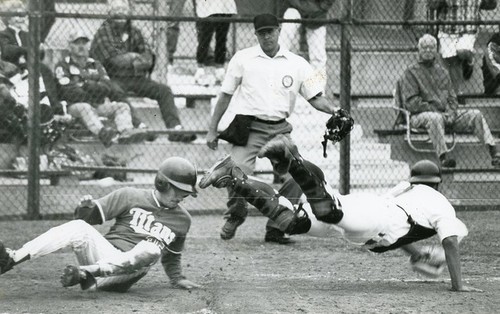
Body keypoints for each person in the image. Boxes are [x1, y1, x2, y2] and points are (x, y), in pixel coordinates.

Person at [199, 135, 482, 292]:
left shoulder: (406, 190)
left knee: (290, 221)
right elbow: (450, 242)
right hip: (373, 217)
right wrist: (458, 285)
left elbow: (399, 226)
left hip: (369, 214)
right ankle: (293, 156)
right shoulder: (442, 202)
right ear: (438, 182)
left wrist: (416, 254)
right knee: (328, 210)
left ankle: (234, 175)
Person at [205, 13, 337, 243]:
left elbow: (315, 97)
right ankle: (235, 215)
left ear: (279, 31)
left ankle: (277, 226)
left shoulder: (297, 63)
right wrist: (212, 129)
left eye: (271, 31)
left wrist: (335, 111)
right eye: (262, 32)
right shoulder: (243, 58)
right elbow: (225, 95)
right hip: (250, 128)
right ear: (256, 35)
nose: (267, 36)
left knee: (300, 175)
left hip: (280, 130)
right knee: (235, 171)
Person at [0, 156, 201, 292]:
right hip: (101, 256)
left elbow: (173, 257)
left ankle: (87, 273)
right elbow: (88, 219)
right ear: (162, 183)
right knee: (79, 226)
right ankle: (12, 258)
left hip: (127, 273)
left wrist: (177, 279)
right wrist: (85, 208)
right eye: (178, 190)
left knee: (152, 248)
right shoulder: (130, 195)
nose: (183, 196)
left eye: (186, 192)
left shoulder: (183, 220)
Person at [89, 0, 196, 143]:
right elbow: (114, 61)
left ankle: (175, 129)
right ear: (109, 13)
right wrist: (134, 58)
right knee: (116, 91)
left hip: (135, 78)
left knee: (163, 90)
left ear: (129, 11)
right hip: (111, 78)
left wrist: (130, 60)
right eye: (116, 9)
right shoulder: (103, 32)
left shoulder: (134, 31)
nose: (120, 12)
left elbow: (148, 59)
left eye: (123, 8)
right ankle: (140, 127)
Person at [400, 34, 499, 168]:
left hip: (446, 115)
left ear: (436, 50)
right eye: (425, 47)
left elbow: (452, 98)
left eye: (431, 47)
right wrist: (436, 110)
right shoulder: (410, 73)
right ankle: (443, 158)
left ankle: (494, 152)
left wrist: (451, 113)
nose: (428, 50)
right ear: (419, 50)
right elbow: (412, 103)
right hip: (420, 116)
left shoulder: (442, 72)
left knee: (475, 114)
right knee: (434, 118)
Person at [55, 30, 148, 148]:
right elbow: (68, 92)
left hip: (97, 105)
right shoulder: (63, 66)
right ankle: (104, 134)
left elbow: (107, 87)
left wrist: (85, 86)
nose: (81, 46)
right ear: (69, 46)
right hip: (74, 107)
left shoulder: (96, 64)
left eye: (84, 43)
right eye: (77, 43)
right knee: (85, 107)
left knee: (122, 106)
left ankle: (126, 132)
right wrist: (94, 88)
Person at [0, 0, 61, 116]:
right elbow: (7, 51)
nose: (20, 17)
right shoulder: (4, 34)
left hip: (29, 67)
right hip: (13, 70)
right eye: (16, 15)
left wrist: (35, 49)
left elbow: (39, 54)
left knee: (44, 69)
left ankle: (54, 106)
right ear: (8, 18)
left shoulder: (27, 35)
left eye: (22, 14)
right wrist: (29, 50)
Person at [427, 0, 486, 95]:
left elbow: (491, 5)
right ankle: (457, 93)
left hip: (469, 28)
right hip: (448, 27)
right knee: (452, 61)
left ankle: (470, 60)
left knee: (462, 51)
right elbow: (431, 5)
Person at [279, 0, 334, 90]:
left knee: (318, 56)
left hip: (317, 14)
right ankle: (279, 87)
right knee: (282, 46)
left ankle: (317, 92)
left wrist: (321, 8)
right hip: (295, 7)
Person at [193, 0, 237, 85]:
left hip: (225, 5)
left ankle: (219, 72)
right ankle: (200, 71)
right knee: (205, 38)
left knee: (221, 38)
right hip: (207, 6)